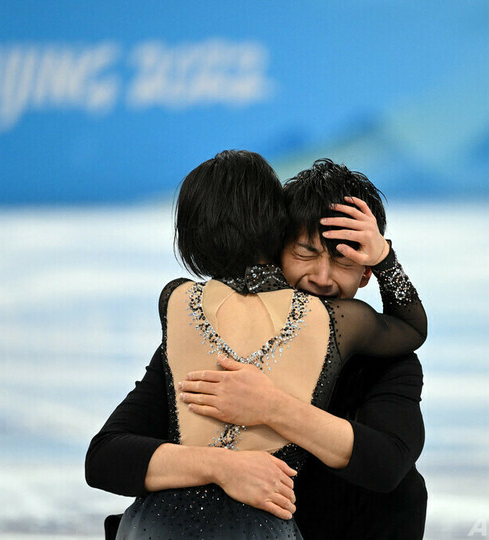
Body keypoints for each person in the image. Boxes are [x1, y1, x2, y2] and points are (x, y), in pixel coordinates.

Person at [86, 152, 427, 538]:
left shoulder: (384, 358)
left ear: (366, 273)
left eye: (343, 262)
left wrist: (271, 407)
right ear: (276, 247)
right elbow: (107, 457)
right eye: (305, 253)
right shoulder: (211, 338)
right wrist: (220, 466)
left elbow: (388, 465)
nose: (322, 277)